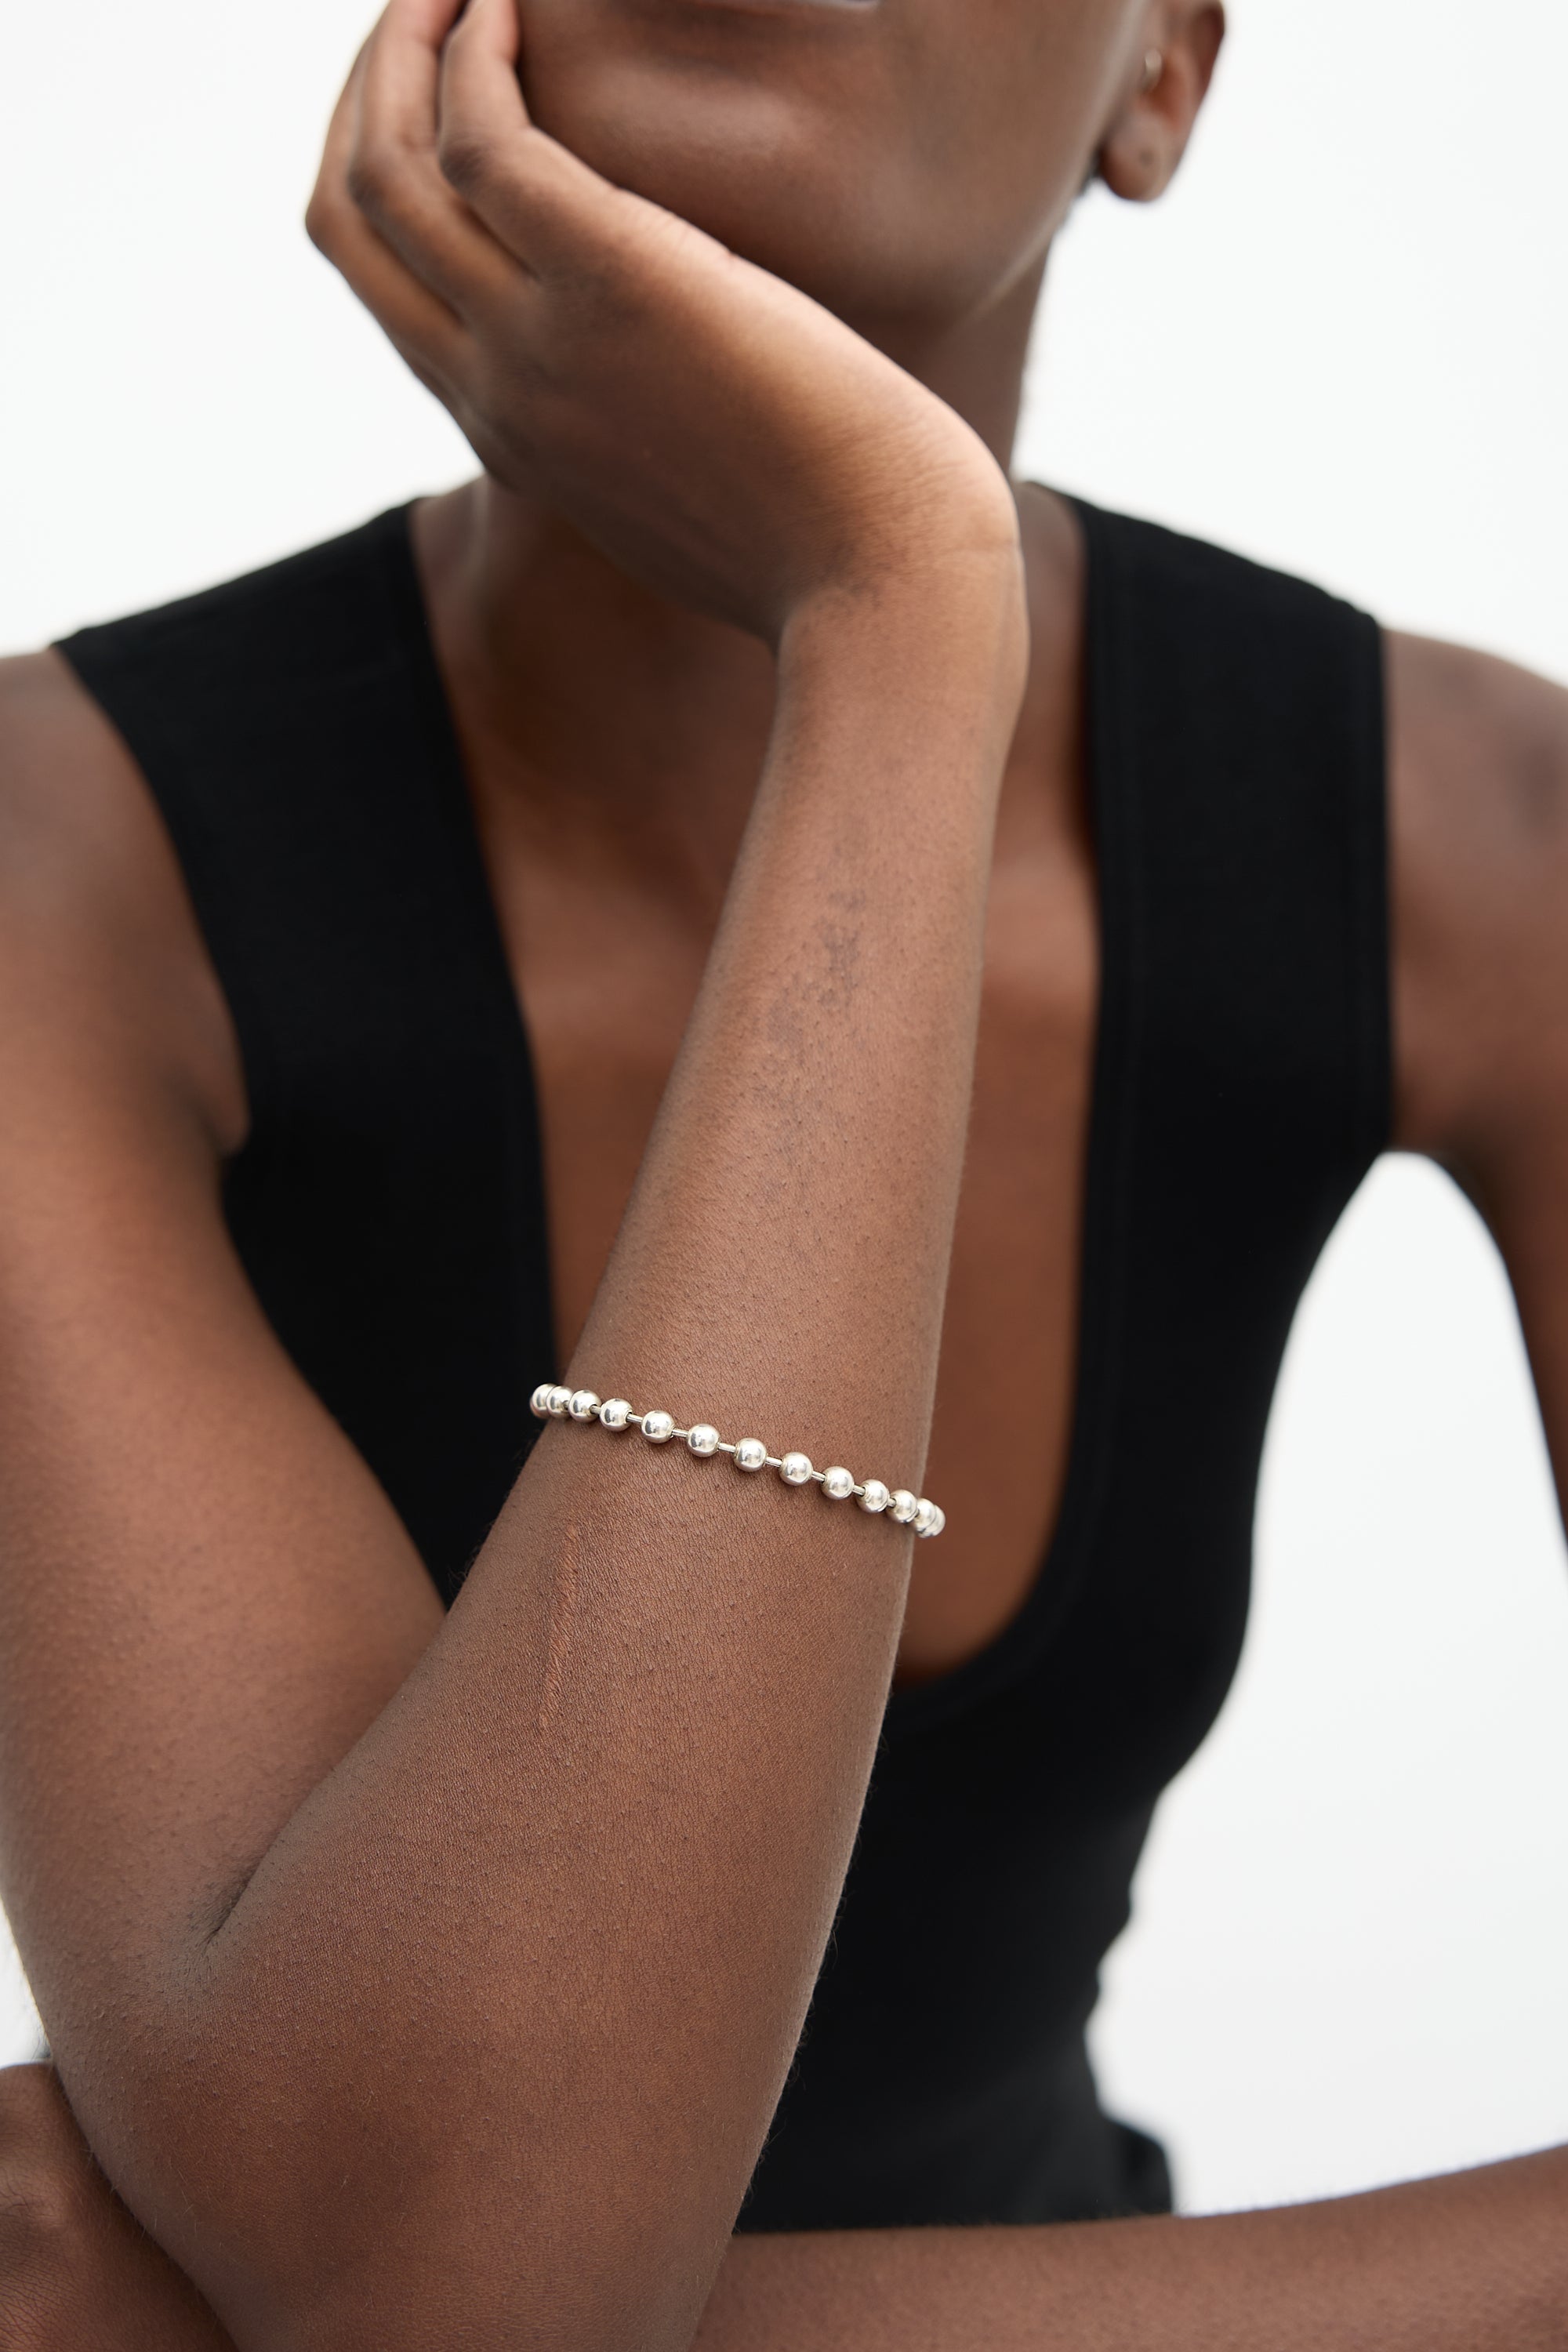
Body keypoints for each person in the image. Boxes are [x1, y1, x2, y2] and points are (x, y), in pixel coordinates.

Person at [0, 0, 1564, 2341]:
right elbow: (443, 2278)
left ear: (1162, 76)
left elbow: (437, 2310)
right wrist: (901, 622)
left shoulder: (1489, 841)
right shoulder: (51, 866)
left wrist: (891, 611)